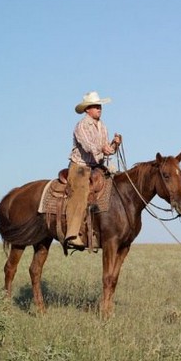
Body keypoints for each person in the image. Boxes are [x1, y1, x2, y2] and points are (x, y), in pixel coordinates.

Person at [66, 91, 122, 248]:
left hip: (97, 166)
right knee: (80, 192)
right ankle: (72, 234)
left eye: (100, 106)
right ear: (87, 110)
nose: (99, 109)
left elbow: (107, 150)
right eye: (95, 106)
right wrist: (103, 148)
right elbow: (88, 146)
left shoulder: (102, 126)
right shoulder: (81, 126)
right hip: (80, 167)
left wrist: (114, 144)